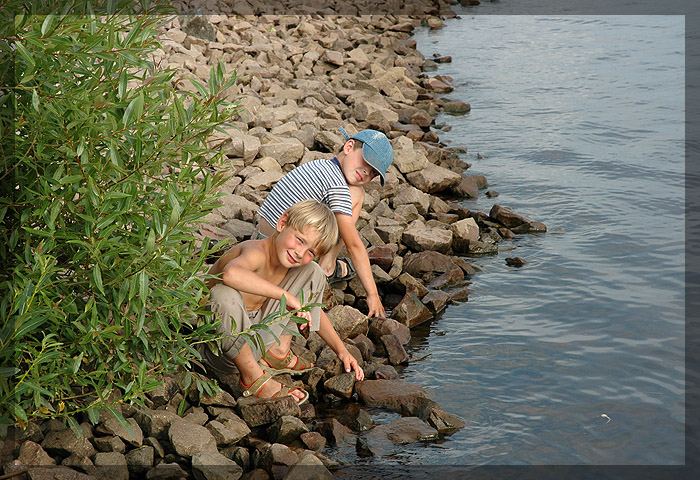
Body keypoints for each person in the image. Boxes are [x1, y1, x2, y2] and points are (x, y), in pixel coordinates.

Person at [201, 199, 364, 405]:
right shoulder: (255, 251)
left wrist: (342, 351)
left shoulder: (293, 264)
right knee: (223, 294)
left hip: (255, 339)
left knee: (313, 271)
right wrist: (285, 297)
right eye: (299, 240)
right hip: (218, 349)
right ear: (282, 223)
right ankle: (253, 376)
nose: (300, 253)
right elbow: (231, 274)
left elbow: (312, 310)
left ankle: (277, 352)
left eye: (311, 252)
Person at [256, 126, 394, 318]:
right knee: (356, 193)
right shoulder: (337, 185)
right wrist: (372, 295)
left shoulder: (320, 166)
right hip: (282, 255)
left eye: (372, 173)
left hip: (261, 239)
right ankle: (326, 268)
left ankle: (328, 264)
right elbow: (354, 245)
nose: (366, 172)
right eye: (366, 162)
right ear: (349, 146)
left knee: (353, 192)